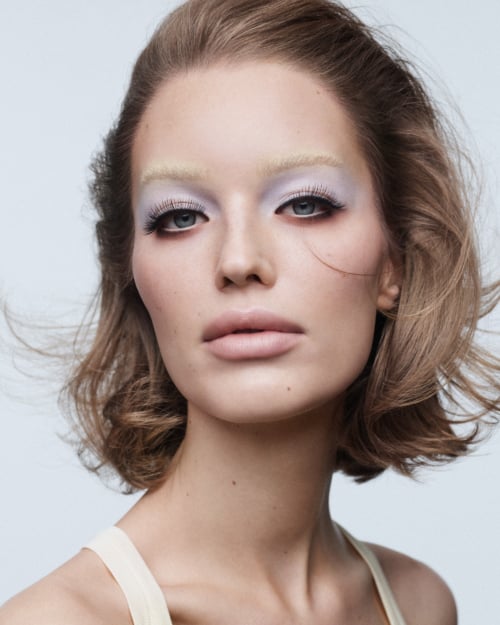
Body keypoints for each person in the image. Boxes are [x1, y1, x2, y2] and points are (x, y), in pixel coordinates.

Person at [1, 0, 498, 623]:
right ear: (131, 272)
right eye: (181, 216)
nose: (238, 260)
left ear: (395, 260)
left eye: (305, 204)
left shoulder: (420, 604)